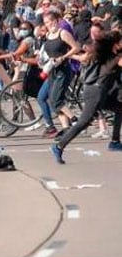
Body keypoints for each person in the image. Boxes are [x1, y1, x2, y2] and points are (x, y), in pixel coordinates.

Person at [51, 31, 122, 164]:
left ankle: (115, 141)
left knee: (120, 107)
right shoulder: (114, 57)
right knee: (83, 122)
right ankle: (59, 146)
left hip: (99, 91)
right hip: (96, 92)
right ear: (116, 44)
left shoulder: (103, 55)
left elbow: (84, 58)